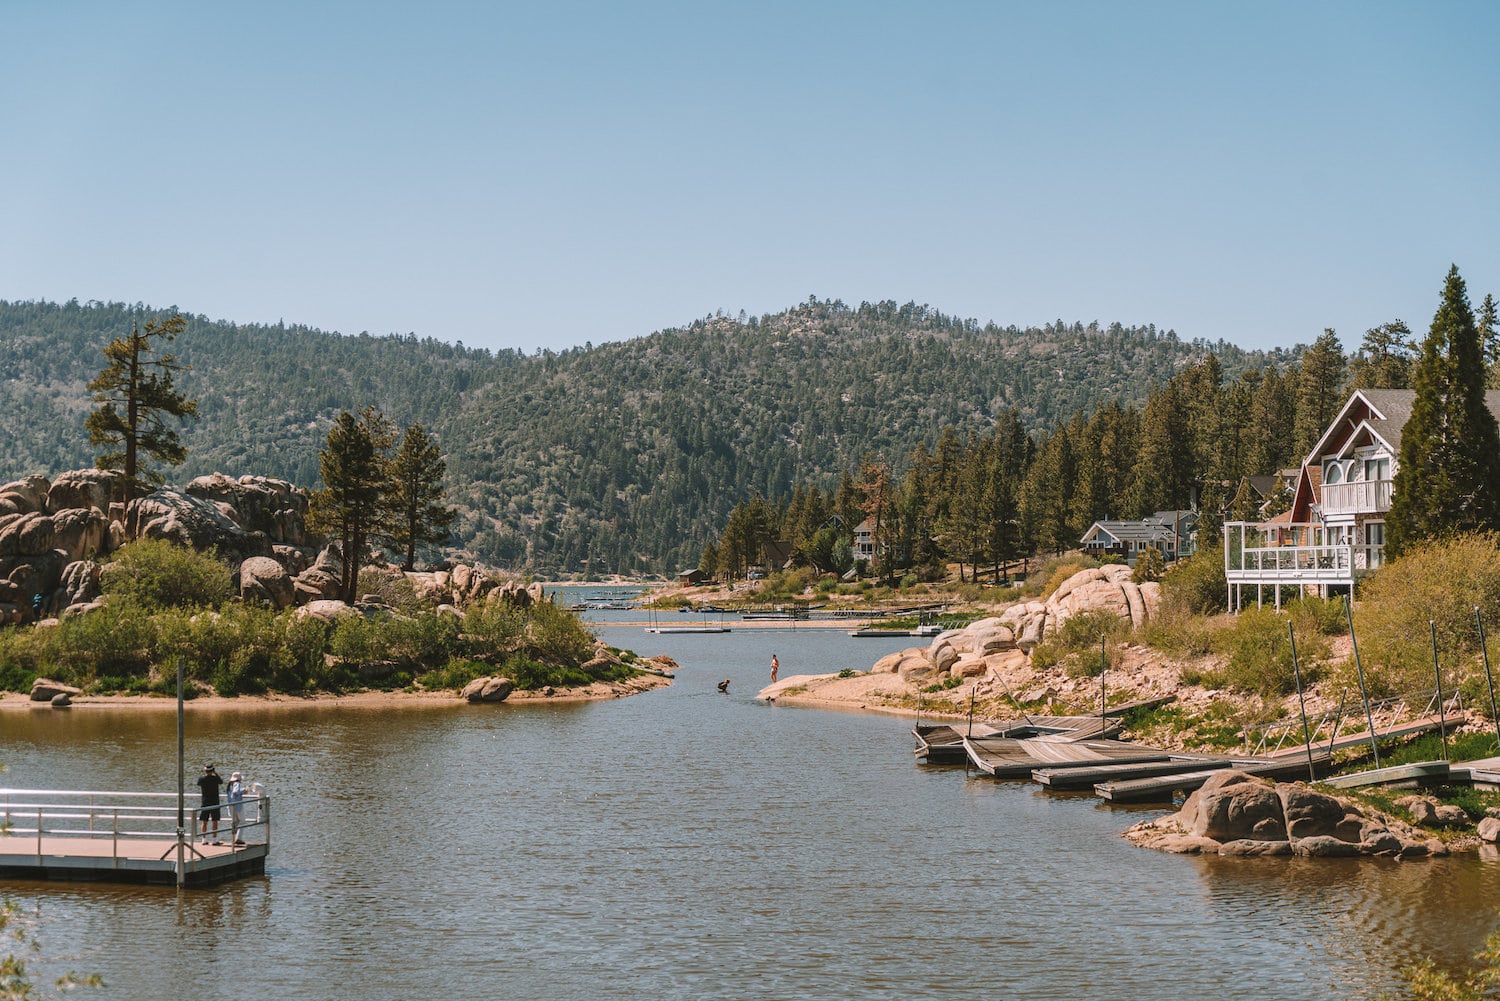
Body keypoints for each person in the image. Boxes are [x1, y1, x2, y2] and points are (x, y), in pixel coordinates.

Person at [196, 764, 224, 845]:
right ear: (213, 770)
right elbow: (221, 781)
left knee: (204, 821)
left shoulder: (201, 779)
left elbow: (198, 783)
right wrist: (216, 773)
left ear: (205, 771)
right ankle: (214, 840)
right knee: (214, 821)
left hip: (205, 802)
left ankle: (203, 839)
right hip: (215, 802)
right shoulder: (215, 778)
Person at [226, 770, 246, 846]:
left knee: (235, 822)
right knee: (243, 822)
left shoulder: (229, 785)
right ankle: (238, 838)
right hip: (237, 806)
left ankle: (233, 838)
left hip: (231, 806)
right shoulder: (236, 783)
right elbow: (236, 792)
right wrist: (244, 790)